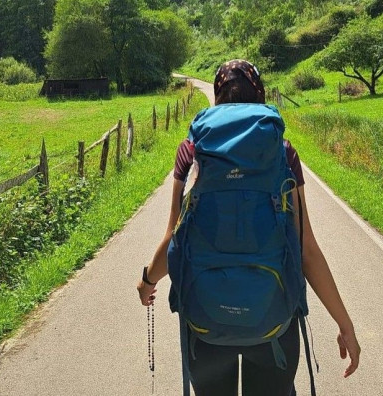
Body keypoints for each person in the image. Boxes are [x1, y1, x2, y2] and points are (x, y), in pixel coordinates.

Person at [137, 59, 360, 396]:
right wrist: (345, 324)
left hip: (204, 322)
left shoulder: (192, 151)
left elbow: (174, 239)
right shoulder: (281, 152)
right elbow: (307, 250)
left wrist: (147, 281)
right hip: (274, 321)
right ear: (260, 93)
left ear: (217, 94)